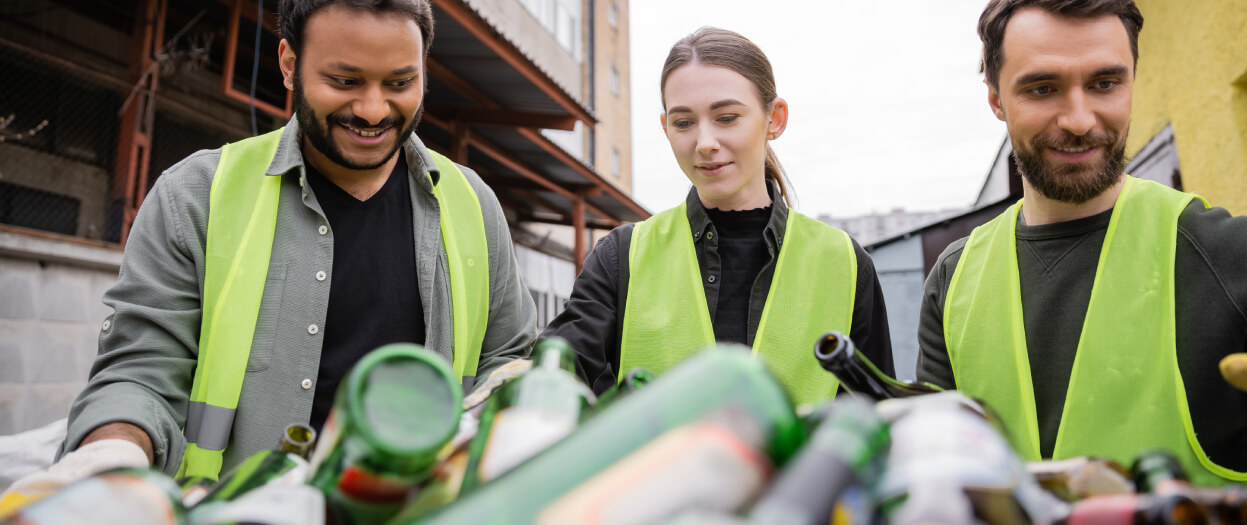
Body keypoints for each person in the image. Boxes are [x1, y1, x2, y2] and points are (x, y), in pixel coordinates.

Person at [13, 0, 537, 487]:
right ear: (289, 63)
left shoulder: (473, 204)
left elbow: (510, 360)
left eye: (400, 82)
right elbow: (140, 373)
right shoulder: (196, 197)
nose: (375, 110)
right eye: (344, 80)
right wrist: (112, 458)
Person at [916, 0, 1247, 488]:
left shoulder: (1230, 254)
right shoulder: (953, 278)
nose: (1079, 119)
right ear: (996, 99)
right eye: (1042, 88)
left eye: (1105, 83)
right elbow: (936, 476)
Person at [543, 27, 894, 406]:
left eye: (726, 118)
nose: (705, 143)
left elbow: (875, 414)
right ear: (665, 128)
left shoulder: (844, 263)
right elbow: (551, 384)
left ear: (775, 118)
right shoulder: (620, 257)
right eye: (683, 123)